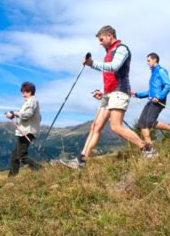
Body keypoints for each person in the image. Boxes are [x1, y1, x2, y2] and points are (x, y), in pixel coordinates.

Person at [63, 25, 157, 169]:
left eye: (101, 39)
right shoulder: (109, 52)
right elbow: (110, 77)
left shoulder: (122, 49)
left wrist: (92, 63)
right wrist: (102, 91)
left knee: (116, 127)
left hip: (120, 92)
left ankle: (147, 149)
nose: (100, 43)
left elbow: (114, 66)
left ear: (109, 36)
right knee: (95, 126)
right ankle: (80, 161)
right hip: (109, 93)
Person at [132, 52, 170, 143]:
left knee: (150, 122)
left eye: (148, 60)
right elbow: (150, 92)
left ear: (155, 60)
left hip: (158, 101)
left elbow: (168, 86)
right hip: (151, 101)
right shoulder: (153, 73)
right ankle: (149, 148)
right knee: (142, 124)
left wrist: (159, 97)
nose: (147, 63)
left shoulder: (161, 71)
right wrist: (137, 94)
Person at [5, 82, 41, 177]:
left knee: (22, 155)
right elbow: (32, 117)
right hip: (25, 131)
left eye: (24, 92)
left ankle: (40, 169)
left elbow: (27, 115)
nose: (22, 94)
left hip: (27, 132)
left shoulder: (31, 101)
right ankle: (12, 177)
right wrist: (14, 115)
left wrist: (14, 114)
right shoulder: (30, 102)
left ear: (30, 92)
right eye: (22, 92)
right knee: (15, 156)